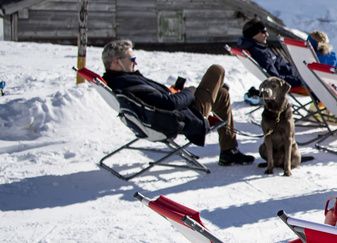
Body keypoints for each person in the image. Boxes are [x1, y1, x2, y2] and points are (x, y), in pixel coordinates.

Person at [101, 39, 254, 166]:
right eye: (132, 59)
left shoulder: (121, 80)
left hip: (173, 113)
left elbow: (159, 100)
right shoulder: (127, 83)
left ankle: (229, 151)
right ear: (116, 62)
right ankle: (228, 149)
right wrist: (188, 92)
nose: (135, 63)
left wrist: (174, 92)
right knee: (217, 70)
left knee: (221, 94)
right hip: (182, 118)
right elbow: (169, 104)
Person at [237, 19, 303, 90]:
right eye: (263, 32)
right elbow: (275, 79)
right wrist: (301, 80)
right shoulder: (260, 53)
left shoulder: (258, 47)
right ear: (253, 34)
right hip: (296, 79)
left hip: (295, 72)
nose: (267, 34)